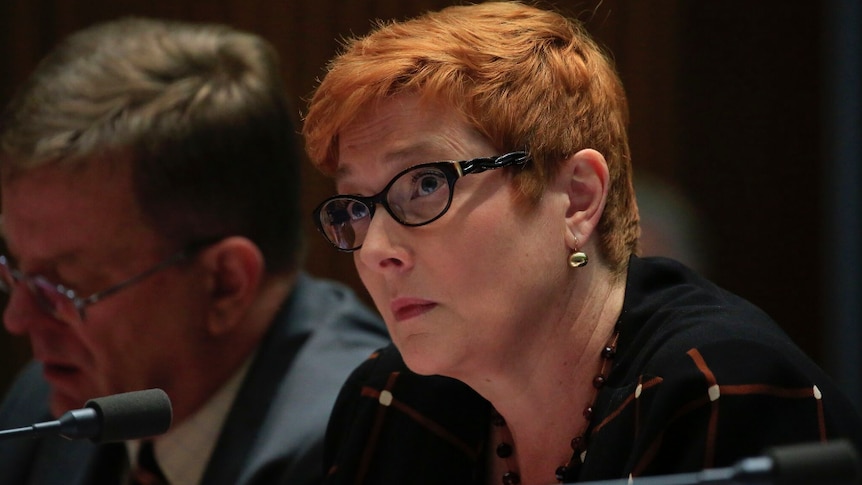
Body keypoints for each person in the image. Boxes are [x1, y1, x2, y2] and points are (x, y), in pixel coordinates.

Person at [301, 2, 862, 484]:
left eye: (425, 184)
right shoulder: (391, 403)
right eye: (356, 205)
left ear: (576, 198)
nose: (376, 249)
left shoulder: (721, 392)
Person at [0, 17, 389, 485]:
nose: (17, 319)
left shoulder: (354, 446)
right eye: (17, 271)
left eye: (63, 286)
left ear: (225, 283)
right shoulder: (50, 401)